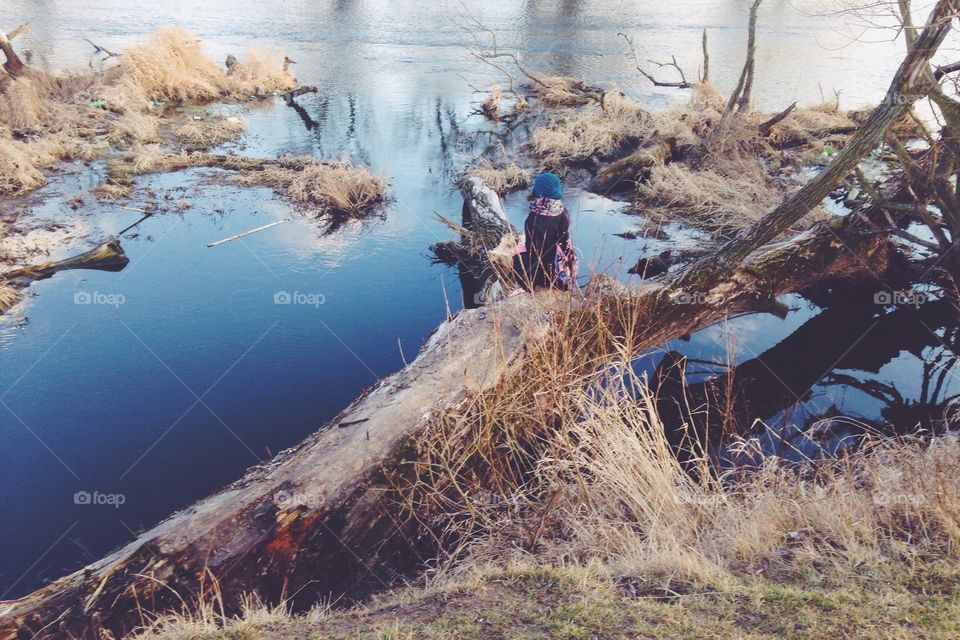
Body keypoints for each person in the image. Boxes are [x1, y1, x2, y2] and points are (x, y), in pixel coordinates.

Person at [515, 172, 576, 290]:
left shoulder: (533, 219)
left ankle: (530, 288)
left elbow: (533, 254)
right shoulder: (564, 211)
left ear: (538, 191)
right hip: (564, 272)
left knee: (517, 253)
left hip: (546, 277)